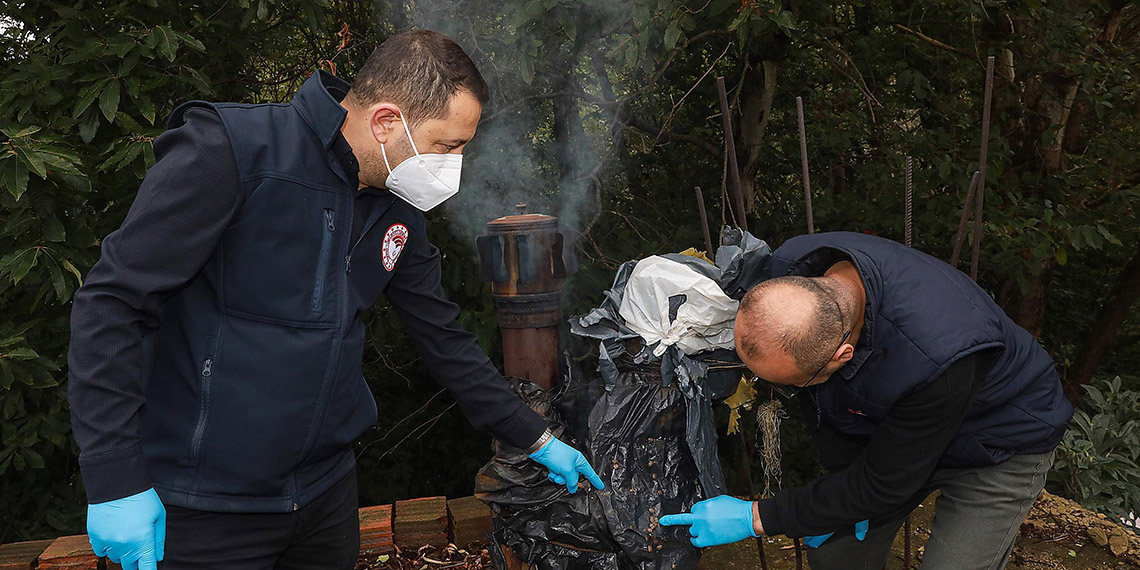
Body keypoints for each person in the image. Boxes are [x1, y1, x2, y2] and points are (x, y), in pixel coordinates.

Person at [67, 29, 603, 570]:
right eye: (448, 145)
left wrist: (534, 437)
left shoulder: (400, 208)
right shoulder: (232, 150)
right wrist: (115, 479)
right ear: (387, 121)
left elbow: (443, 338)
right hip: (205, 504)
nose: (454, 165)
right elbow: (113, 303)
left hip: (324, 498)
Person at [661, 231, 1072, 570]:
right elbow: (834, 414)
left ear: (843, 355)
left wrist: (756, 517)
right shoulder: (794, 271)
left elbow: (884, 483)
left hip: (1000, 437)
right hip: (900, 427)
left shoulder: (939, 355)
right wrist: (843, 493)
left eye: (794, 385)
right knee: (836, 555)